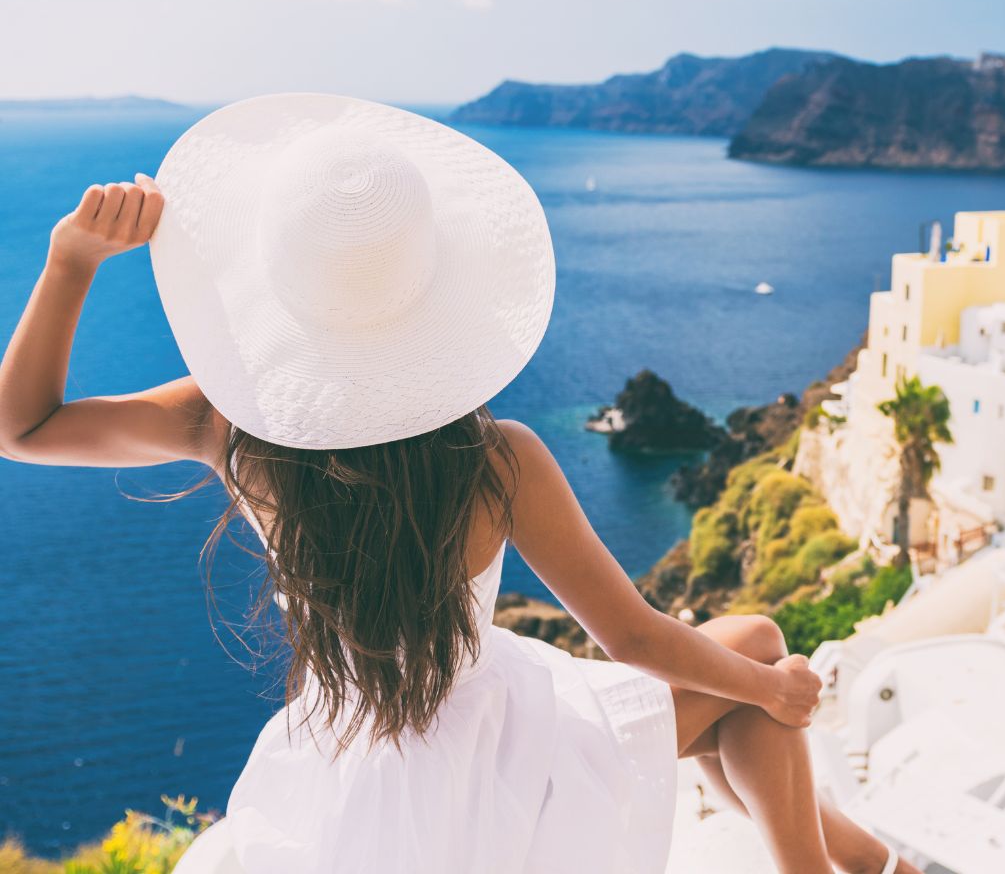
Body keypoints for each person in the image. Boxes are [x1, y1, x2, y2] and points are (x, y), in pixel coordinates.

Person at [0, 95, 915, 874]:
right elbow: (634, 635)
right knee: (753, 652)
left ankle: (869, 862)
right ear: (430, 297)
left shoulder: (229, 427)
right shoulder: (494, 459)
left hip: (342, 764)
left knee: (739, 694)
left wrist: (69, 263)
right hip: (492, 766)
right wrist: (776, 693)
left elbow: (23, 428)